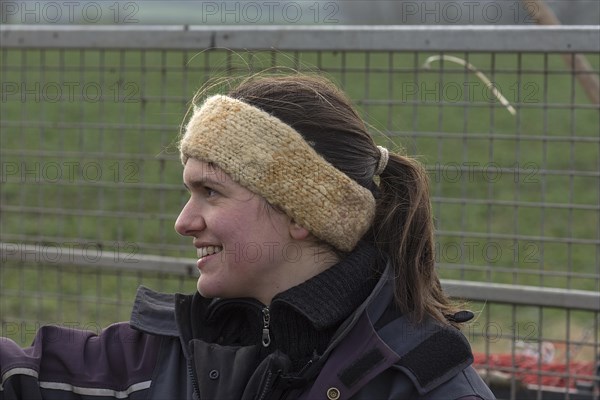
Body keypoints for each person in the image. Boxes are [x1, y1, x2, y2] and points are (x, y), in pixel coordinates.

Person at [0, 73, 496, 400]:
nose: (183, 221)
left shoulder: (423, 385)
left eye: (210, 192)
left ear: (301, 212)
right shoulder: (168, 357)